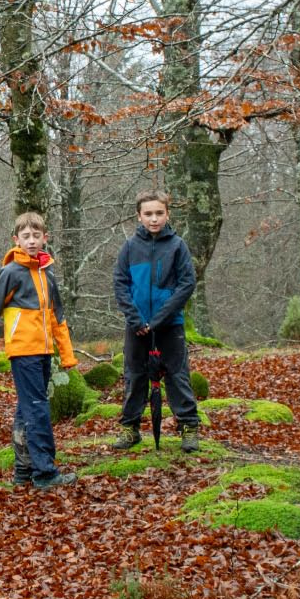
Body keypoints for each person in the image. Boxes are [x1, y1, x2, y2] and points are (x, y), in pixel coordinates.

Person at [0, 211, 80, 490]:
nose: (31, 241)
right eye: (26, 236)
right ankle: (45, 473)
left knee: (27, 408)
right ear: (16, 240)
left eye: (36, 236)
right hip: (23, 352)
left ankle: (23, 470)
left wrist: (67, 354)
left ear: (45, 238)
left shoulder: (47, 273)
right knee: (37, 409)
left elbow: (58, 317)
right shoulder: (11, 273)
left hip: (44, 351)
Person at [112, 190, 201, 453]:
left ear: (167, 214)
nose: (154, 219)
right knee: (134, 376)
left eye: (159, 213)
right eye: (148, 214)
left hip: (170, 325)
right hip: (137, 326)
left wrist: (160, 319)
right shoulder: (130, 247)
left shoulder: (177, 246)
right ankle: (130, 429)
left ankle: (189, 428)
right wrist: (136, 320)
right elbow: (120, 284)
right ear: (139, 216)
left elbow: (187, 284)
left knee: (177, 375)